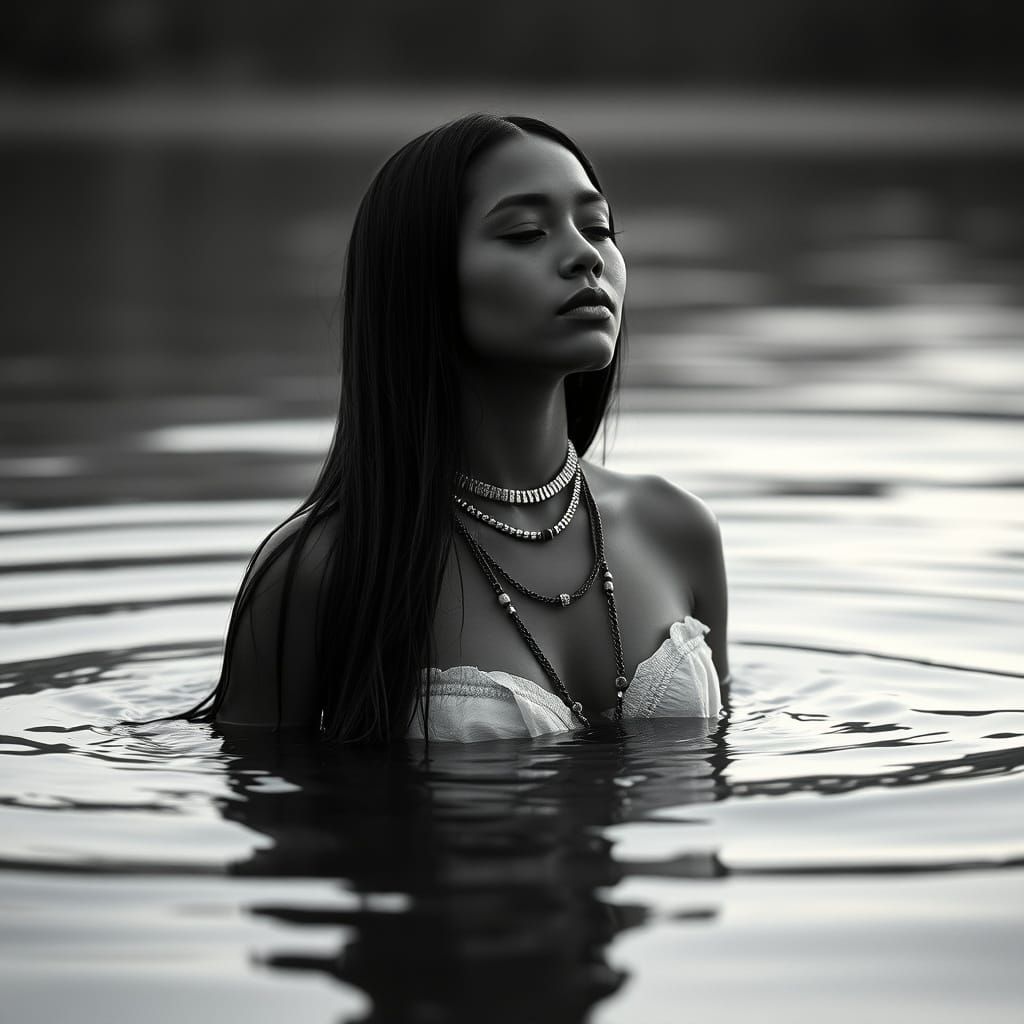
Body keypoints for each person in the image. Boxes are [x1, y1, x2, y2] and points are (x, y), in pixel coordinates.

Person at [178, 113, 730, 743]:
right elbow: (271, 804)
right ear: (422, 281)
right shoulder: (321, 571)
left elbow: (717, 789)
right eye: (526, 232)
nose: (585, 255)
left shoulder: (677, 530)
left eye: (599, 227)